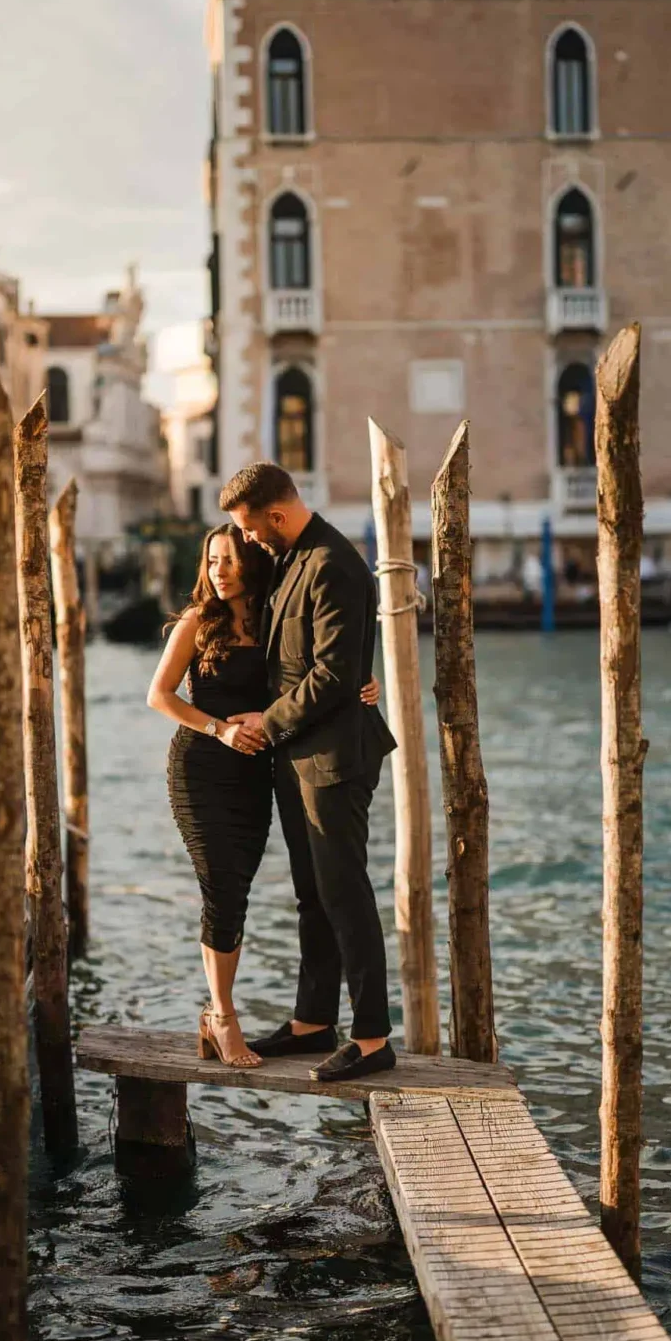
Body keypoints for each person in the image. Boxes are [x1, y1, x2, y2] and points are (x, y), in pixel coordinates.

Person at [147, 523, 380, 1069]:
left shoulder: (273, 617)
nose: (218, 571)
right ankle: (223, 1015)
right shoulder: (196, 621)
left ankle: (243, 1017)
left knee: (242, 891)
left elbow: (316, 671)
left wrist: (360, 685)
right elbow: (159, 696)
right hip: (202, 768)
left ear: (250, 563)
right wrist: (220, 730)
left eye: (228, 559)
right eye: (210, 561)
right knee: (221, 889)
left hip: (259, 774)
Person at [219, 461, 398, 1085]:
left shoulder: (333, 565)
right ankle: (312, 1021)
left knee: (345, 892)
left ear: (276, 512)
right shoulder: (292, 559)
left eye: (249, 528)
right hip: (299, 757)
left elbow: (332, 676)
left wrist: (266, 722)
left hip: (335, 758)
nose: (247, 541)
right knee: (312, 894)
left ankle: (373, 1037)